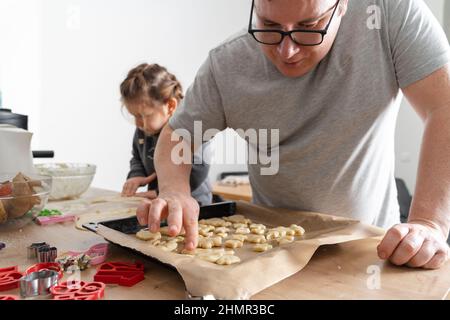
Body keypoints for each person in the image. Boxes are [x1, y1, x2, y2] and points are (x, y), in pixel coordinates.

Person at [137, 0, 450, 269]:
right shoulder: (226, 63)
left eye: (309, 26)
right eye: (269, 25)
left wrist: (428, 222)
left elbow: (444, 106)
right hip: (270, 252)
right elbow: (178, 134)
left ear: (341, 7)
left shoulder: (388, 14)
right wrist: (175, 189)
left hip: (371, 250)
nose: (287, 50)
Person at [120, 63, 212, 205]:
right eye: (134, 116)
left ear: (170, 106)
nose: (138, 123)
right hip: (157, 201)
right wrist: (136, 175)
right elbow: (137, 157)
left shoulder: (190, 126)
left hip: (195, 203)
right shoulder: (143, 129)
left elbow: (198, 168)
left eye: (144, 115)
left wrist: (159, 192)